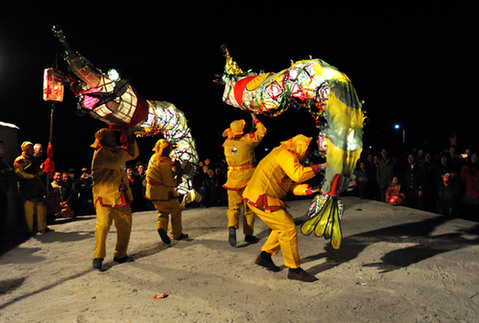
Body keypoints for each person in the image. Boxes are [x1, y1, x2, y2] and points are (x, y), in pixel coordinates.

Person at [242, 134, 324, 282]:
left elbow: (293, 186)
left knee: (281, 226)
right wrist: (320, 167)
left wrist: (312, 189)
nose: (307, 156)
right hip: (261, 197)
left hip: (260, 196)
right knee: (288, 228)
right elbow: (298, 175)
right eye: (307, 153)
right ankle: (294, 270)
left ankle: (265, 256)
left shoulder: (288, 158)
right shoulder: (285, 154)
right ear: (302, 148)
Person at [90, 128, 139, 270]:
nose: (113, 138)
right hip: (104, 197)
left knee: (125, 227)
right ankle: (98, 256)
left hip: (121, 196)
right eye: (110, 136)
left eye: (113, 135)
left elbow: (134, 153)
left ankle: (120, 255)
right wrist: (125, 150)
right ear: (102, 140)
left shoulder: (118, 151)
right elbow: (116, 163)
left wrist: (130, 137)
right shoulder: (99, 154)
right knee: (103, 226)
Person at [222, 113, 267, 247]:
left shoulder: (227, 143)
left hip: (232, 178)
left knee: (233, 208)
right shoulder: (248, 140)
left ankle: (231, 227)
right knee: (249, 208)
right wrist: (255, 119)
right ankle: (248, 235)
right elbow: (262, 131)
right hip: (248, 178)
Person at [145, 139, 189, 244]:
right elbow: (169, 182)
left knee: (162, 211)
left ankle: (162, 228)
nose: (169, 149)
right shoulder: (164, 161)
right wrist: (179, 175)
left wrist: (173, 166)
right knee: (176, 209)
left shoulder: (153, 157)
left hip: (151, 192)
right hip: (162, 192)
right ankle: (176, 233)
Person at [14, 141, 48, 235]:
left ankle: (42, 227)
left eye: (31, 148)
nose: (31, 150)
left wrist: (44, 167)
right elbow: (19, 173)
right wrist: (31, 176)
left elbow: (39, 171)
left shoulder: (34, 159)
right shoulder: (20, 160)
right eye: (29, 148)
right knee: (29, 211)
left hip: (36, 186)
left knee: (40, 208)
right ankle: (29, 230)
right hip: (26, 188)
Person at [0, 140, 13, 242]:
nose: (4, 149)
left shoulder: (2, 161)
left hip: (3, 190)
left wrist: (4, 171)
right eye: (2, 147)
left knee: (3, 215)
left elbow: (10, 171)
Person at [460, 152, 479, 219]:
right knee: (467, 215)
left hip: (477, 196)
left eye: (476, 157)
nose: (474, 159)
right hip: (467, 195)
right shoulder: (466, 167)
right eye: (473, 157)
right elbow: (462, 178)